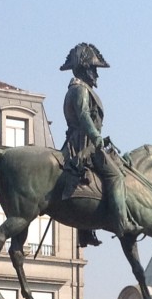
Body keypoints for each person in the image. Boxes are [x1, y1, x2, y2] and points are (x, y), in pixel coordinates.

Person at [58, 42, 136, 246]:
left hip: (79, 142)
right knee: (116, 175)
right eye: (93, 69)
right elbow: (84, 115)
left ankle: (86, 231)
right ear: (85, 69)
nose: (96, 74)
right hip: (83, 145)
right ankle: (122, 223)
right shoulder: (80, 90)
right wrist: (95, 136)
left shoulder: (74, 88)